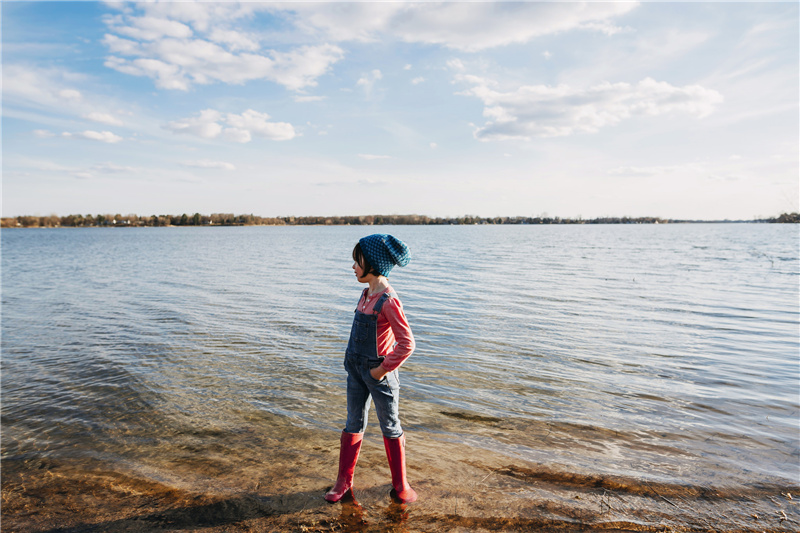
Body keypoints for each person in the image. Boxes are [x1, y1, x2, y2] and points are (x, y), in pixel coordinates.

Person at [325, 234, 418, 504]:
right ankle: (343, 483)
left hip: (380, 377)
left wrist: (380, 371)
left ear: (374, 263)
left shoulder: (388, 301)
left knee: (390, 425)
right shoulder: (366, 293)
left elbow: (407, 344)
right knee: (352, 423)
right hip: (355, 371)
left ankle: (401, 486)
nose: (353, 265)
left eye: (358, 260)